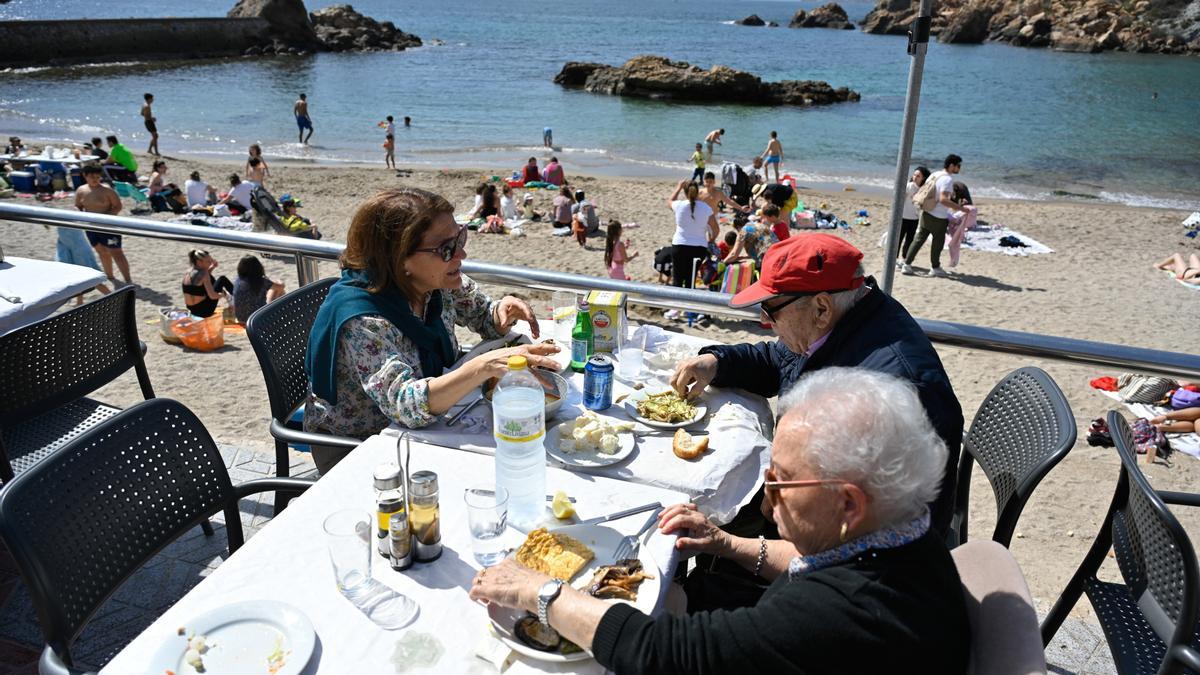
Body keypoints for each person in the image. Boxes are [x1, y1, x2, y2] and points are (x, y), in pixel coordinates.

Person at [470, 367, 970, 674]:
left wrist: (542, 592)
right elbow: (811, 558)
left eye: (781, 481)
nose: (767, 498)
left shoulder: (844, 615)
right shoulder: (904, 537)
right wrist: (726, 543)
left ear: (848, 505)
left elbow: (661, 654)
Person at [669, 234, 964, 609]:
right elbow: (781, 361)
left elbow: (864, 557)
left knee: (688, 595)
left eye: (771, 310)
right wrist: (718, 362)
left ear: (821, 307)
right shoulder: (843, 321)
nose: (764, 321)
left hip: (854, 579)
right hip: (810, 517)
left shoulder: (891, 394)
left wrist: (741, 540)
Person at [302, 187, 559, 473]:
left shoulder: (435, 282)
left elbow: (481, 313)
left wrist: (500, 313)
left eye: (460, 237)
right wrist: (483, 366)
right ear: (399, 259)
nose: (461, 253)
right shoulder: (362, 319)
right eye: (446, 249)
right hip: (359, 448)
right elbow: (404, 403)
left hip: (421, 431)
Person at [902, 154, 963, 278]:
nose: (959, 168)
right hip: (938, 216)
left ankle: (906, 264)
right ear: (951, 166)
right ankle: (935, 268)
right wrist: (961, 209)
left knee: (918, 240)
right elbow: (943, 199)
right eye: (958, 165)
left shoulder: (935, 174)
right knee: (937, 243)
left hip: (926, 212)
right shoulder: (947, 179)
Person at [665, 179, 718, 314]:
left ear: (685, 192)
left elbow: (669, 201)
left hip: (680, 245)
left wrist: (677, 187)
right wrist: (711, 240)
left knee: (678, 277)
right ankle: (689, 307)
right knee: (691, 277)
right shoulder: (706, 208)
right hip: (699, 247)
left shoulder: (679, 205)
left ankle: (675, 309)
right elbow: (716, 229)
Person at [76, 165, 132, 286]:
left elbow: (118, 206)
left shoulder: (107, 190)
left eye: (97, 176)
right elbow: (78, 205)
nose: (95, 179)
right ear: (85, 176)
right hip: (91, 226)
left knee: (116, 252)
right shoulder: (81, 190)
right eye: (92, 177)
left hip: (108, 226)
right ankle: (110, 276)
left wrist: (105, 218)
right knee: (101, 251)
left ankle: (128, 280)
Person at [232, 255, 285, 324]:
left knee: (270, 290)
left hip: (240, 318)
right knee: (280, 290)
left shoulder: (238, 279)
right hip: (256, 319)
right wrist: (280, 281)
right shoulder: (261, 281)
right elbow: (281, 287)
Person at [182, 249, 234, 318]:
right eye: (208, 261)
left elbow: (201, 279)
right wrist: (223, 295)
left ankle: (234, 297)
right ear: (199, 262)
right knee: (222, 279)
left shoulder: (188, 272)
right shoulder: (204, 273)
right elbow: (212, 296)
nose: (210, 263)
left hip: (192, 311)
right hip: (204, 312)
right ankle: (237, 297)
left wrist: (212, 267)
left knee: (211, 279)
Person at [897, 166, 931, 258]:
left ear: (923, 178)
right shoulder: (908, 186)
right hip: (903, 217)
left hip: (915, 218)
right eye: (914, 175)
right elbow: (900, 200)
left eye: (918, 176)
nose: (915, 177)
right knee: (898, 239)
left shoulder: (924, 189)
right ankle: (894, 259)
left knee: (910, 240)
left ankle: (905, 258)